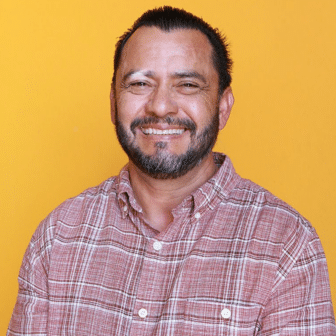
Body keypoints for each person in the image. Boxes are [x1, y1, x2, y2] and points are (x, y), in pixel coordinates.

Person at [7, 6, 335, 335]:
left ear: (223, 107)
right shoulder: (57, 238)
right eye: (139, 84)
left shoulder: (287, 246)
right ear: (112, 102)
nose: (161, 106)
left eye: (188, 85)